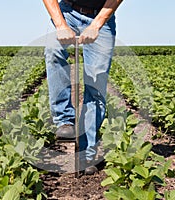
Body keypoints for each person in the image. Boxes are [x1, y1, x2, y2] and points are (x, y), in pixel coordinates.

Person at [42, 0, 123, 175]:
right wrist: (60, 24)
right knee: (53, 51)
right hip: (67, 12)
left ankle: (87, 154)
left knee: (96, 83)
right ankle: (65, 121)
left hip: (101, 13)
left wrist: (97, 24)